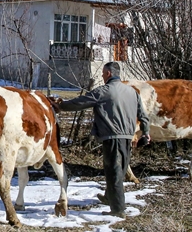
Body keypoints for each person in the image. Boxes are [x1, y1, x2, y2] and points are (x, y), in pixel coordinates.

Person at [50, 62, 149, 218]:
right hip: (128, 138)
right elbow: (143, 115)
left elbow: (81, 102)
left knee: (114, 172)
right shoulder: (132, 92)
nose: (102, 76)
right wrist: (146, 132)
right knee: (120, 169)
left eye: (103, 73)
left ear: (108, 73)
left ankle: (118, 209)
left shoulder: (105, 91)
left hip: (112, 137)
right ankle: (109, 196)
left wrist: (61, 106)